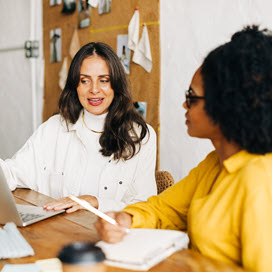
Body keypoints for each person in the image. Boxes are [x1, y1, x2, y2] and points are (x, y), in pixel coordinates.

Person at [95, 26, 272, 272]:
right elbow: (163, 209)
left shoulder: (259, 180)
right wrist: (127, 219)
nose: (184, 104)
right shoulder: (214, 163)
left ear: (226, 105)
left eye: (191, 96)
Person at [0, 42, 157, 212]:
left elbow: (145, 207)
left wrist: (95, 202)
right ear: (75, 85)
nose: (94, 90)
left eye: (103, 80)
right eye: (85, 81)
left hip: (112, 234)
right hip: (57, 232)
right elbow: (11, 173)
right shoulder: (54, 127)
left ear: (116, 84)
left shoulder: (141, 136)